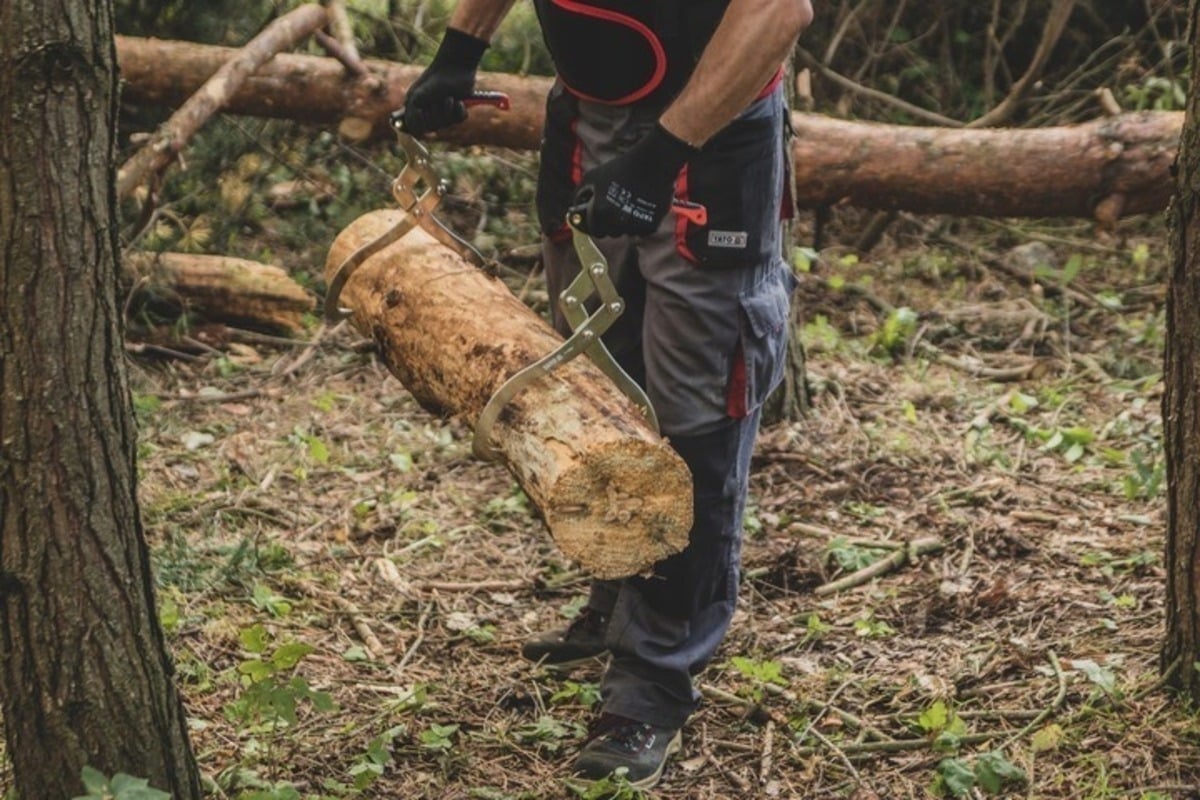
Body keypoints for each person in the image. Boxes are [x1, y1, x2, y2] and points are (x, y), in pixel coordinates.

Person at [398, 0, 813, 787]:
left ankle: (651, 683)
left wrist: (662, 156)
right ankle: (622, 594)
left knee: (694, 413)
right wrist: (460, 50)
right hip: (587, 118)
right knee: (595, 386)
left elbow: (777, 9)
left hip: (710, 130)